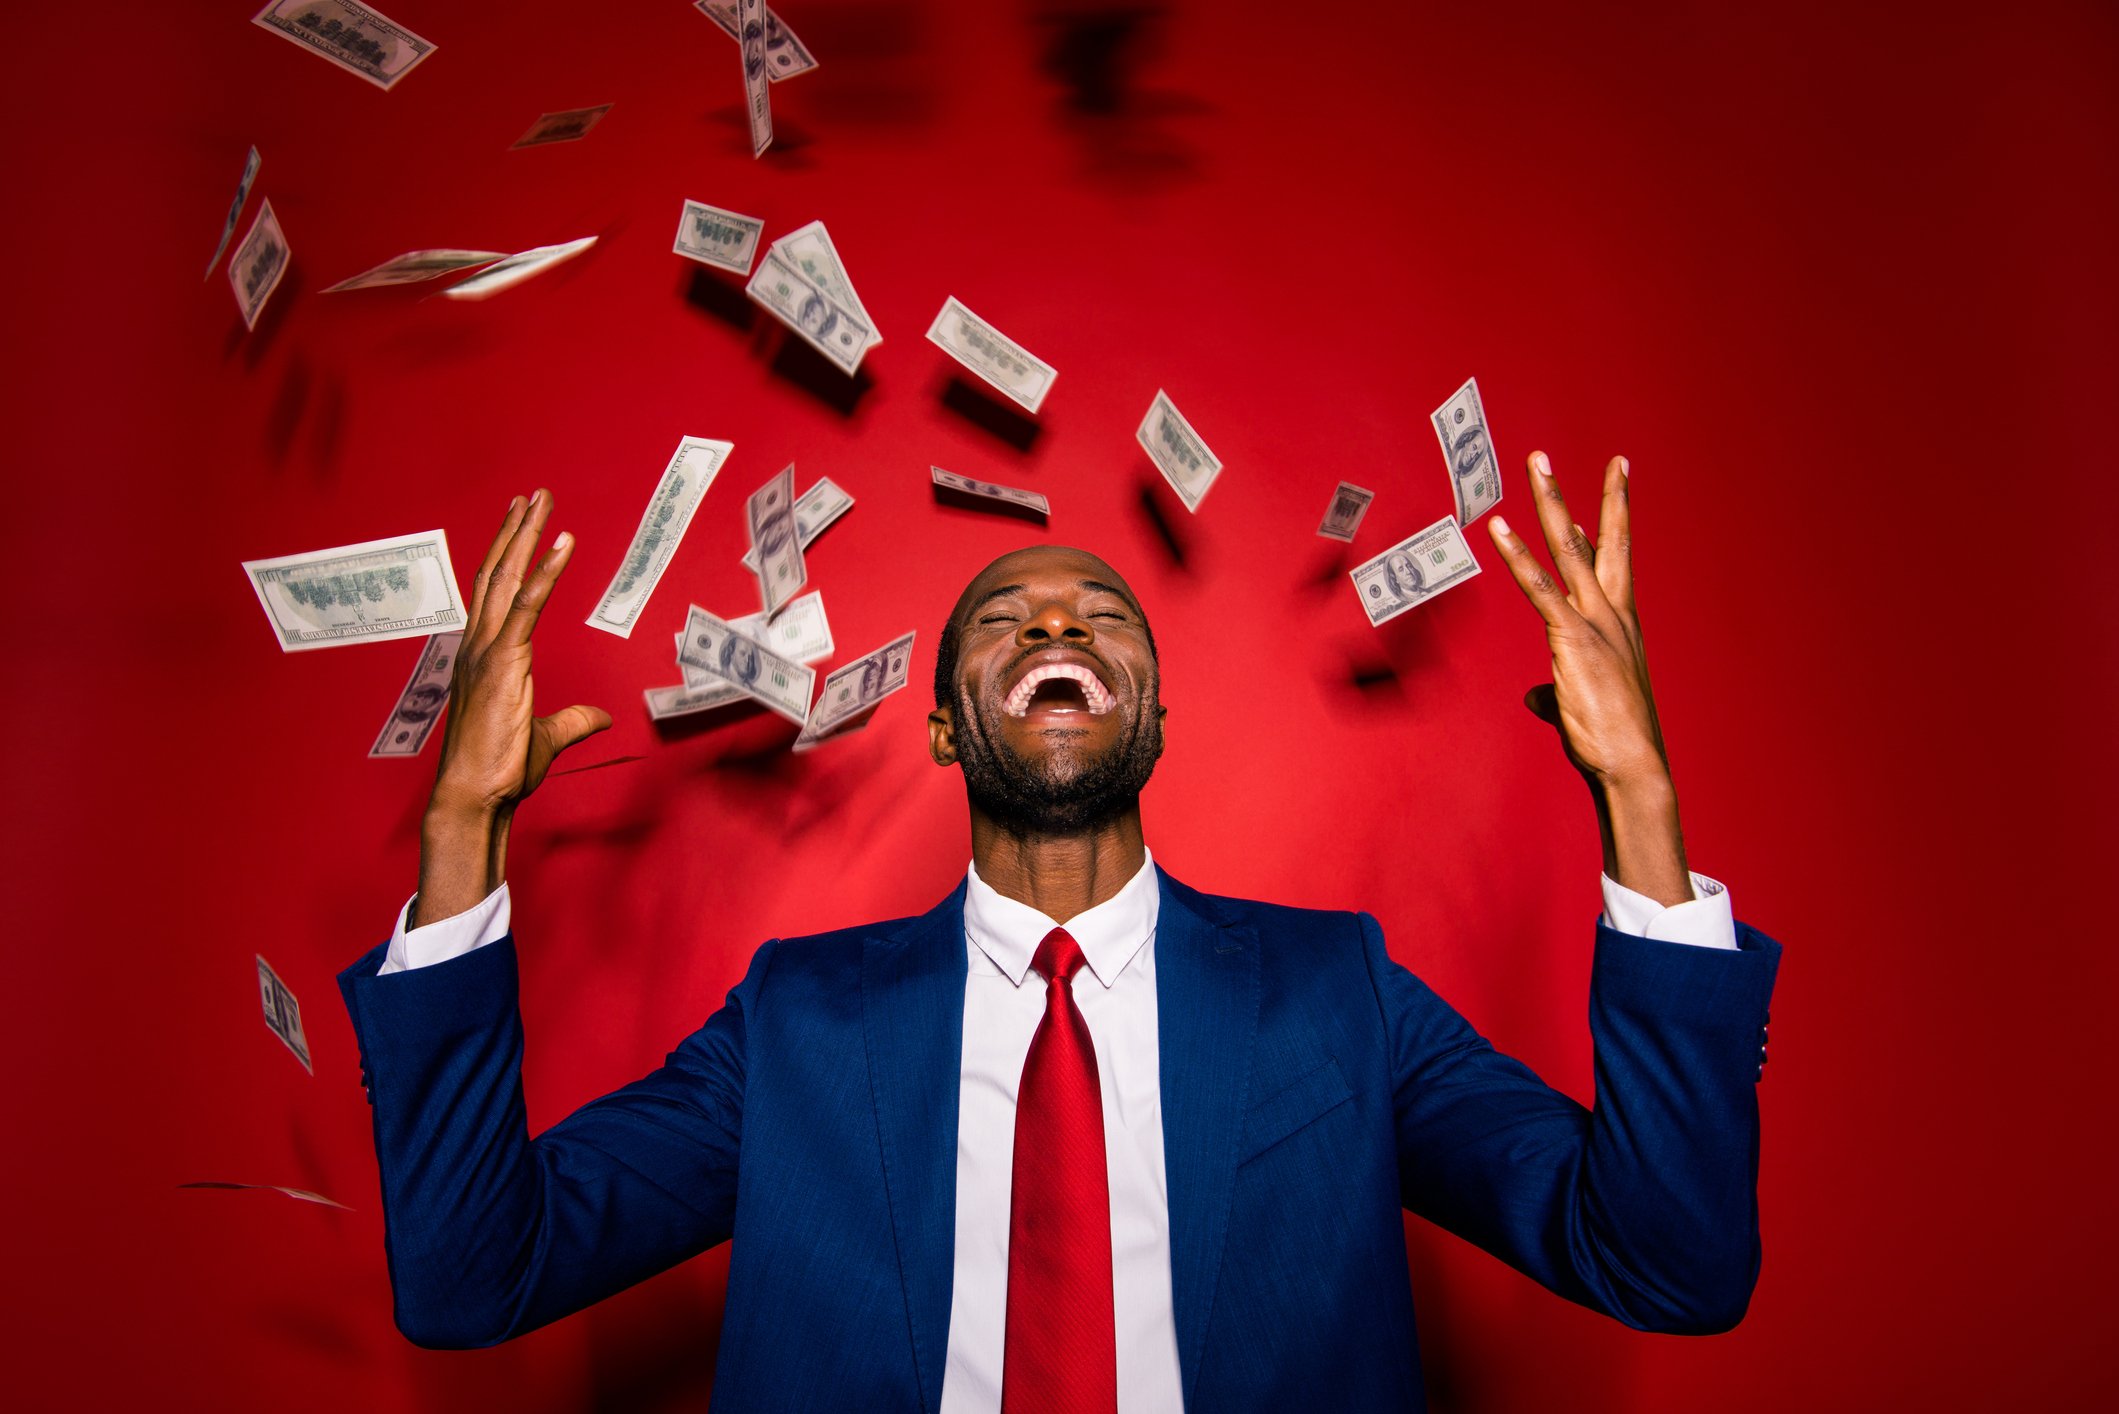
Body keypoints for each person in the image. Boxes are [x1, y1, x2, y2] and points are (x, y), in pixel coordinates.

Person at [339, 451, 1779, 1413]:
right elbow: (474, 1275)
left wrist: (1639, 801)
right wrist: (462, 826)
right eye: (1002, 622)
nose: (1051, 629)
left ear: (1152, 711)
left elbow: (1663, 1260)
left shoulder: (1336, 996)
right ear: (941, 721)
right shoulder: (798, 1021)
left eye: (1099, 617)